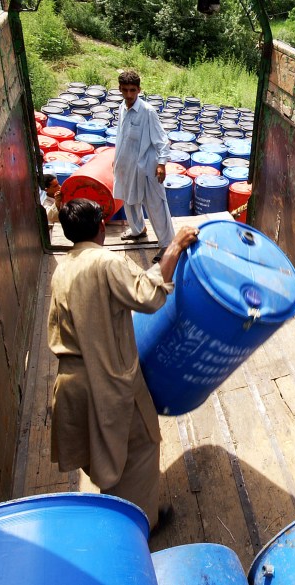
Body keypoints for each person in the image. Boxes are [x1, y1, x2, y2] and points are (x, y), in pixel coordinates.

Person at [48, 198, 199, 532]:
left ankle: (115, 513)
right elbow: (148, 297)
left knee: (101, 454)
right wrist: (174, 246)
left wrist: (156, 266)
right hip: (107, 382)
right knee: (141, 446)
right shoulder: (105, 261)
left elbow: (122, 289)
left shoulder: (64, 266)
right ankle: (137, 528)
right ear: (101, 227)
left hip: (71, 387)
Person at [112, 70, 175, 263]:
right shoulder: (123, 107)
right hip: (126, 165)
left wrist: (162, 164)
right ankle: (138, 230)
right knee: (129, 200)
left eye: (133, 90)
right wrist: (117, 158)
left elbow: (162, 140)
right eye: (125, 90)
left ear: (139, 89)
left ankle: (167, 244)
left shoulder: (147, 111)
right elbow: (121, 136)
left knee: (156, 206)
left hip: (146, 167)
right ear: (120, 90)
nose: (129, 95)